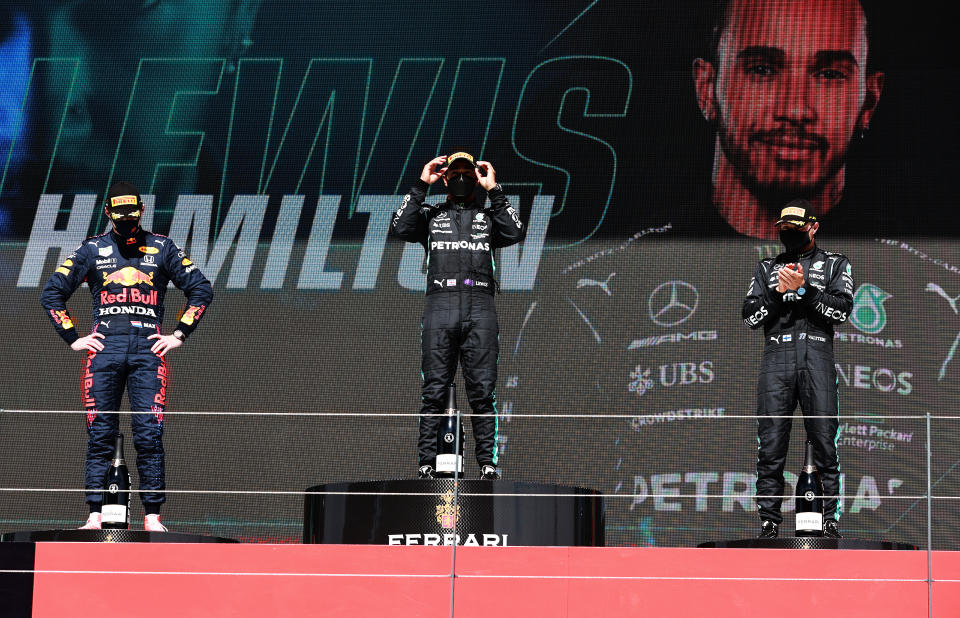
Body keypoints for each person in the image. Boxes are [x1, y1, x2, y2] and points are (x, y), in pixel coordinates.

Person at [40, 181, 213, 531]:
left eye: (131, 214)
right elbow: (52, 294)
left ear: (142, 211)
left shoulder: (163, 247)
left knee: (149, 434)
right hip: (104, 352)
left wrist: (179, 334)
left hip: (149, 352)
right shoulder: (90, 249)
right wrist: (73, 337)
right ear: (108, 213)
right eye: (119, 215)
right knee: (99, 433)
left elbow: (201, 290)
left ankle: (152, 517)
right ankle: (94, 515)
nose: (126, 221)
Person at [693, 0, 884, 239]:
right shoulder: (637, 263)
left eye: (830, 75)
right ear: (707, 90)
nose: (795, 110)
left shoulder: (913, 269)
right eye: (761, 70)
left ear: (868, 102)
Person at [392, 152, 525, 480]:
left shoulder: (489, 215)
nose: (463, 176)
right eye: (457, 172)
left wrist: (494, 190)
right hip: (441, 303)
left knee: (482, 391)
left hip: (480, 305)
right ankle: (426, 464)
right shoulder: (431, 214)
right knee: (434, 390)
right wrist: (423, 183)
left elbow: (516, 231)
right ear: (447, 178)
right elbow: (401, 226)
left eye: (469, 171)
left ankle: (488, 466)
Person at [742, 198, 854, 538]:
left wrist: (804, 291)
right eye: (784, 229)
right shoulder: (766, 269)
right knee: (771, 444)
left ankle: (829, 519)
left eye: (796, 228)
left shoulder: (835, 264)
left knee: (824, 443)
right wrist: (778, 294)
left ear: (814, 226)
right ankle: (769, 521)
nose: (789, 234)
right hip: (776, 360)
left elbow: (842, 311)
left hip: (817, 358)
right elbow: (750, 317)